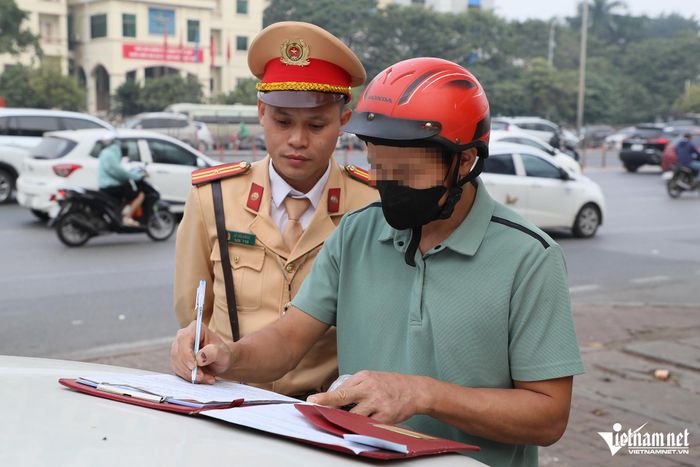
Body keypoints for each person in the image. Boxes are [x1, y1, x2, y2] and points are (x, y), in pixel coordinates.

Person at [171, 57, 583, 466]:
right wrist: (229, 355)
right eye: (380, 168)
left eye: (407, 172)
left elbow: (548, 417)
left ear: (465, 161)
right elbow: (288, 339)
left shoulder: (530, 259)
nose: (390, 187)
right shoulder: (357, 234)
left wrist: (425, 394)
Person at [171, 21, 377, 399]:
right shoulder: (213, 197)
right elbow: (192, 309)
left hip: (326, 410)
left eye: (317, 125)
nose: (297, 140)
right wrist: (193, 346)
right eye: (283, 122)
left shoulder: (371, 205)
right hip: (230, 400)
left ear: (343, 121)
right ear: (261, 112)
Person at [96, 131, 145, 226]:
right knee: (139, 195)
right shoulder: (111, 152)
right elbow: (116, 170)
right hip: (111, 186)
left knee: (124, 197)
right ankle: (127, 217)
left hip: (105, 185)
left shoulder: (105, 152)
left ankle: (120, 216)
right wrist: (135, 176)